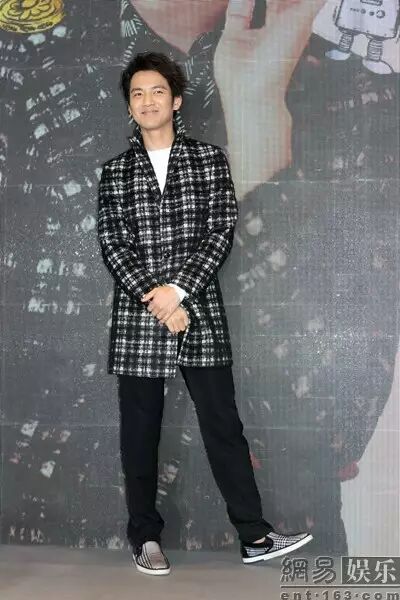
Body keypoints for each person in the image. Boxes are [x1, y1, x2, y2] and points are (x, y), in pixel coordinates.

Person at [97, 51, 313, 576]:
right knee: (140, 434)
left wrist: (177, 293)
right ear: (129, 106)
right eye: (137, 94)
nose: (147, 101)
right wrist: (157, 299)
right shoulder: (115, 171)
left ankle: (254, 535)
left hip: (199, 314)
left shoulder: (209, 160)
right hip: (140, 321)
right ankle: (145, 537)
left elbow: (220, 232)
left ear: (175, 100)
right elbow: (113, 245)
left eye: (157, 91)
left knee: (223, 426)